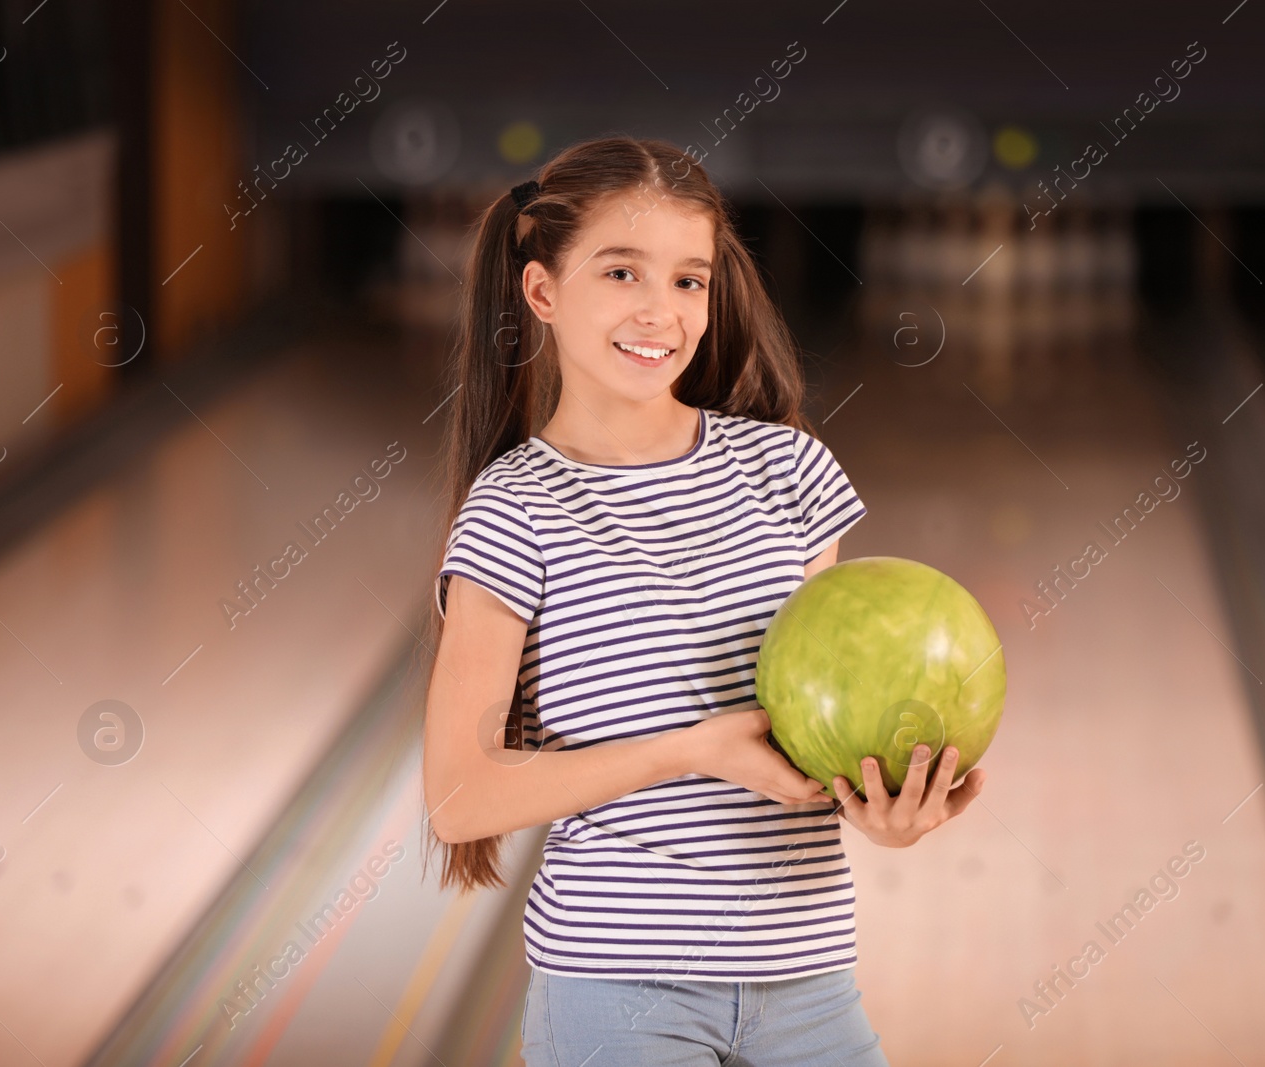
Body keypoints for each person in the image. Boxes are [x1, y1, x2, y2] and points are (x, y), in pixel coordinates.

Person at [420, 134, 987, 1066]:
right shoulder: (516, 509)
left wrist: (885, 806)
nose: (661, 311)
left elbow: (820, 730)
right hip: (615, 994)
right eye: (621, 273)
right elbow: (457, 793)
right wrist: (691, 749)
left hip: (808, 980)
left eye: (690, 280)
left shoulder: (791, 470)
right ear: (541, 292)